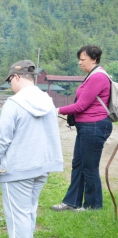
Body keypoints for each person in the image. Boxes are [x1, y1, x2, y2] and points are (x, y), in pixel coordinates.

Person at [0, 60, 63, 238]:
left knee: (17, 213)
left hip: (17, 169)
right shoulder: (47, 101)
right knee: (28, 211)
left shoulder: (14, 103)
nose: (11, 85)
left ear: (16, 77)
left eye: (10, 81)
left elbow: (2, 138)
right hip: (41, 167)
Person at [51, 45, 113, 212]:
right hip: (87, 127)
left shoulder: (97, 77)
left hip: (94, 126)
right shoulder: (91, 76)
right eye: (79, 59)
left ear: (94, 59)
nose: (80, 62)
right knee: (78, 164)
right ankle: (72, 202)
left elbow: (81, 106)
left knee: (89, 167)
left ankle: (93, 206)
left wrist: (55, 110)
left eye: (83, 59)